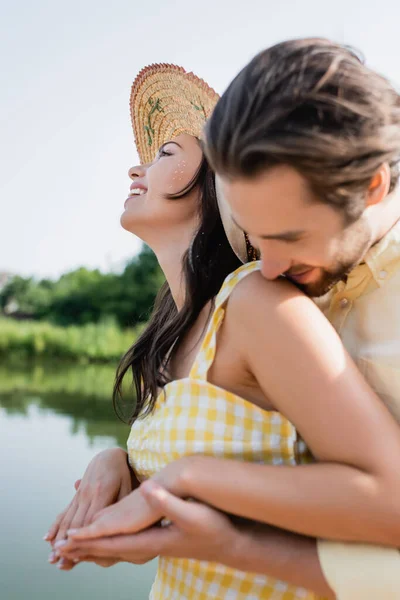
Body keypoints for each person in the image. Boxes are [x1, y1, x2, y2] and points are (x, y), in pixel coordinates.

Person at [49, 63, 400, 599]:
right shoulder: (172, 329)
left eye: (166, 153)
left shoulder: (257, 302)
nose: (135, 169)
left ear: (221, 187)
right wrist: (116, 463)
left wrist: (183, 482)